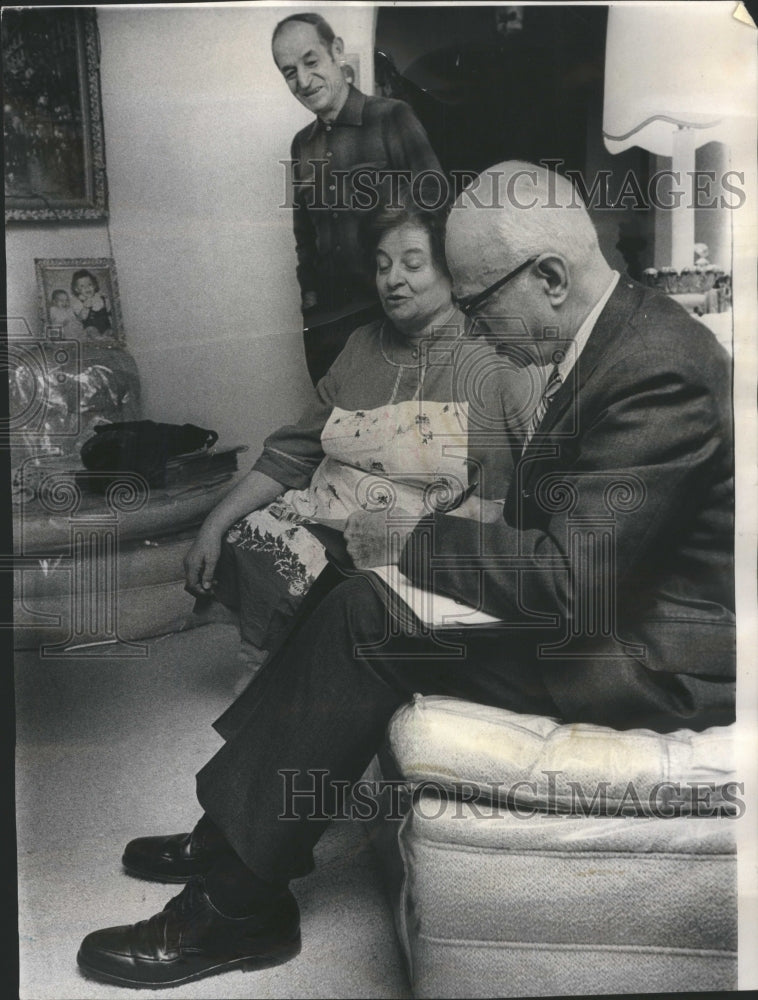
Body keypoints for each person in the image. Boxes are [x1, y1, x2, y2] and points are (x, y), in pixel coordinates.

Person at [77, 162, 734, 989]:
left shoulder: (657, 366)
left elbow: (571, 586)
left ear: (551, 278)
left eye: (478, 298)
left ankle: (240, 907)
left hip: (651, 661)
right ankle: (229, 834)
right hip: (602, 615)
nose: (472, 322)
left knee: (369, 620)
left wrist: (420, 538)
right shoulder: (609, 337)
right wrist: (401, 549)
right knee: (355, 583)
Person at [185, 200, 529, 677]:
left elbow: (498, 501)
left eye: (412, 264)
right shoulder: (360, 345)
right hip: (323, 519)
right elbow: (291, 453)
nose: (392, 279)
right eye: (382, 266)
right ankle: (273, 669)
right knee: (255, 534)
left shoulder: (490, 361)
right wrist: (212, 524)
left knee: (369, 608)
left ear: (452, 273)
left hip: (412, 539)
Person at [272, 12, 443, 385]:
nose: (302, 80)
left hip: (391, 318)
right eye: (288, 72)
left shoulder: (392, 118)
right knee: (337, 433)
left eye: (311, 61)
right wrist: (311, 305)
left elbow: (437, 213)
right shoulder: (301, 144)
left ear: (336, 51)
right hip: (328, 328)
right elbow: (305, 239)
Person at [70, 269, 113, 338]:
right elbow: (81, 318)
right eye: (82, 286)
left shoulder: (102, 298)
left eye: (90, 284)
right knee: (91, 330)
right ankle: (99, 340)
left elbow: (110, 312)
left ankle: (106, 340)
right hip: (91, 329)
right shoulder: (79, 302)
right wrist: (85, 308)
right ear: (77, 289)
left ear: (94, 285)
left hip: (106, 327)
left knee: (111, 331)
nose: (87, 288)